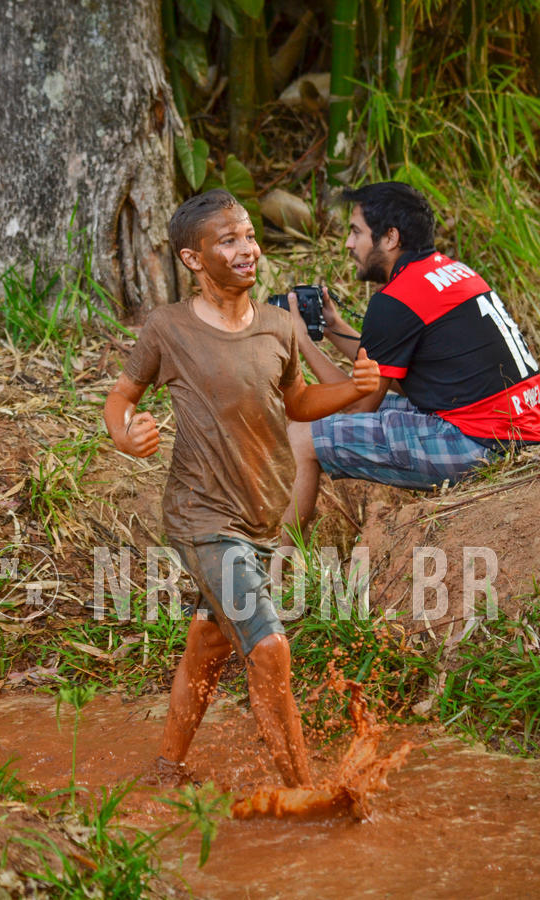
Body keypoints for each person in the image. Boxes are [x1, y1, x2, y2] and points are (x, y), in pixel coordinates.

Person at [103, 189, 380, 788]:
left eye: (250, 236)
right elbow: (122, 398)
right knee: (270, 646)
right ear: (194, 259)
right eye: (228, 241)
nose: (247, 249)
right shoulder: (169, 328)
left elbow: (299, 401)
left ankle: (166, 769)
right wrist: (128, 437)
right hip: (201, 515)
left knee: (208, 640)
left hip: (258, 516)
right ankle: (302, 792)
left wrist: (357, 390)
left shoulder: (279, 326)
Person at [283, 181, 540, 538]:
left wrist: (299, 340)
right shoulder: (454, 272)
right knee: (375, 401)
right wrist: (333, 326)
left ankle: (270, 572)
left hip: (479, 443)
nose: (348, 244)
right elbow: (379, 377)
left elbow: (358, 408)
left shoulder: (395, 300)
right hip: (519, 431)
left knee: (300, 436)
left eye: (356, 232)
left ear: (390, 238)